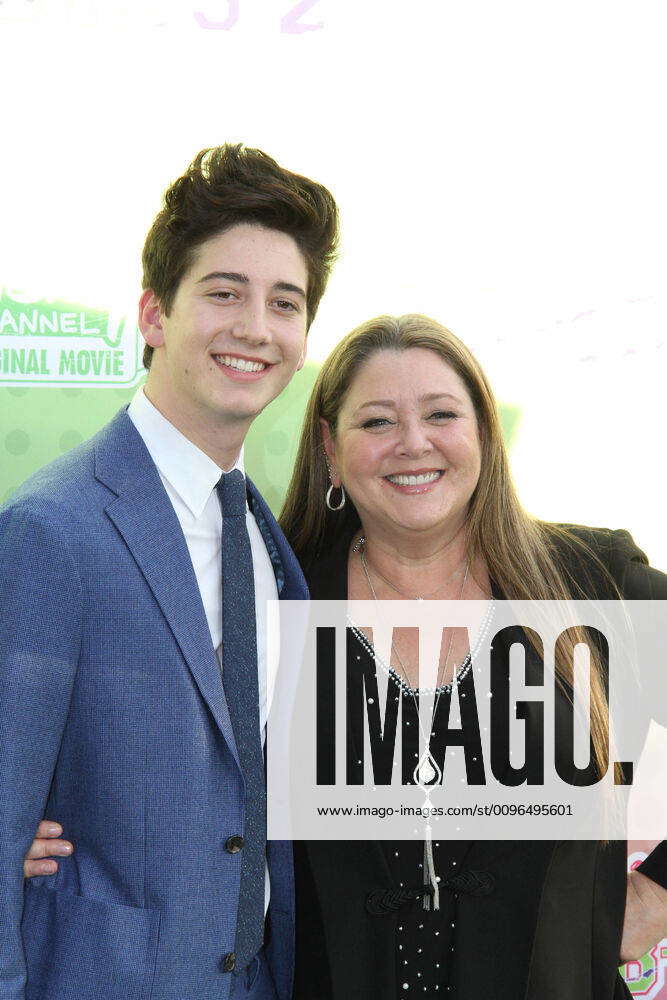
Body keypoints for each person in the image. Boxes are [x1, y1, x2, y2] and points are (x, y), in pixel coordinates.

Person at [24, 315, 667, 997]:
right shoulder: (272, 595)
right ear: (330, 448)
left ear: (481, 431)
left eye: (441, 414)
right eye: (376, 423)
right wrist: (38, 834)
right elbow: (144, 759)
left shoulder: (592, 583)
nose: (412, 444)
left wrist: (656, 895)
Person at [2, 142, 339, 1000]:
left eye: (284, 302)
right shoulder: (53, 529)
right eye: (223, 293)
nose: (255, 327)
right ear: (153, 313)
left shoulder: (266, 538)